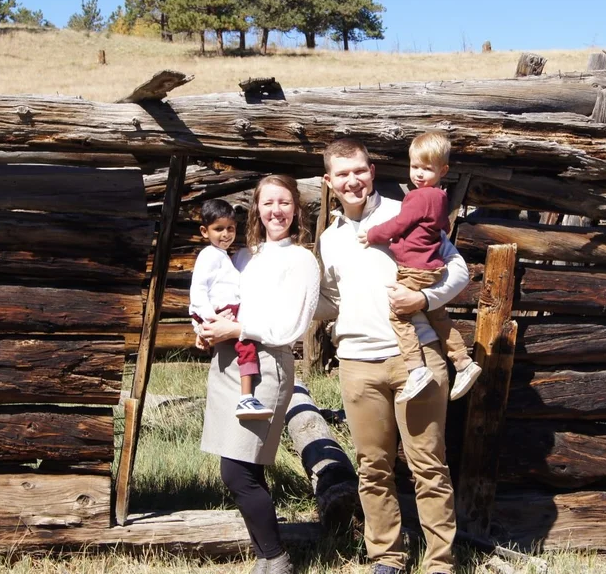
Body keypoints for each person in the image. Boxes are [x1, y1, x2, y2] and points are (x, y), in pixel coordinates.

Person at [315, 139, 470, 574]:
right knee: (373, 467)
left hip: (415, 358)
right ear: (329, 182)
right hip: (357, 364)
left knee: (428, 466)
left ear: (372, 170)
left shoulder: (406, 212)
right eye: (342, 174)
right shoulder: (329, 240)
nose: (352, 181)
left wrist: (422, 297)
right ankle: (387, 556)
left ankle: (440, 562)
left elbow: (458, 270)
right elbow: (330, 299)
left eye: (359, 171)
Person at [199, 175, 320, 574]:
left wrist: (237, 329)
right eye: (268, 203)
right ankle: (264, 558)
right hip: (230, 361)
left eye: (284, 202)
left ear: (296, 208)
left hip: (267, 365)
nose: (276, 211)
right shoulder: (244, 256)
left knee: (237, 471)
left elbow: (290, 326)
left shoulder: (301, 260)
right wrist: (208, 330)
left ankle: (277, 559)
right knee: (242, 467)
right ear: (257, 209)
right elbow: (226, 303)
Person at [358, 131, 482, 403]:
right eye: (415, 167)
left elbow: (399, 225)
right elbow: (442, 228)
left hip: (414, 267)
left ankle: (415, 369)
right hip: (432, 266)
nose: (419, 174)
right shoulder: (440, 198)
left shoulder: (417, 197)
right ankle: (463, 361)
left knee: (399, 315)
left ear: (443, 170)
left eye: (427, 169)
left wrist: (373, 234)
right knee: (437, 314)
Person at [188, 198, 272, 420]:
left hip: (223, 310)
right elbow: (198, 290)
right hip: (218, 311)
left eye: (230, 228)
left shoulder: (224, 257)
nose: (225, 234)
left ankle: (245, 396)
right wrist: (209, 319)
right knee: (246, 345)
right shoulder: (208, 256)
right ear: (205, 232)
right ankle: (246, 397)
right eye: (218, 229)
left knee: (244, 346)